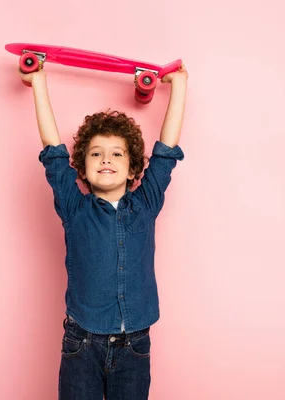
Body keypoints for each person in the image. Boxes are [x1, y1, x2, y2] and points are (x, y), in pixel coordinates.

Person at [18, 60, 188, 400]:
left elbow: (166, 153)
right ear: (82, 166)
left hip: (135, 344)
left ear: (132, 169)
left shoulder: (146, 202)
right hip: (82, 343)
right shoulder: (74, 206)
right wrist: (38, 82)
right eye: (96, 154)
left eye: (115, 154)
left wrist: (179, 86)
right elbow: (52, 152)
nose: (105, 160)